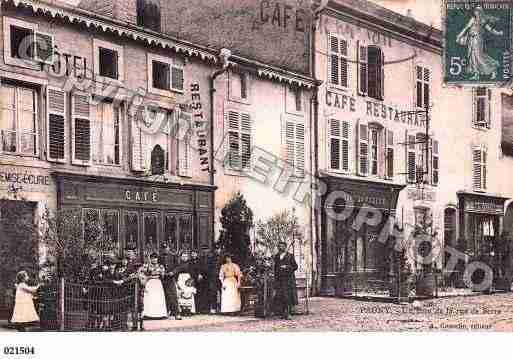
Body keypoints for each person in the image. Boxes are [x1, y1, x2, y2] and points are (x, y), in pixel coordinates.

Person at [456, 5, 504, 81]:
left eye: (478, 11)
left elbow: (490, 29)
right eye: (475, 11)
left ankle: (493, 69)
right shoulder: (472, 19)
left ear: (480, 12)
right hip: (470, 39)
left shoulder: (482, 21)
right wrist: (460, 35)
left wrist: (498, 33)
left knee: (479, 56)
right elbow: (466, 28)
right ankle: (476, 74)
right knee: (472, 57)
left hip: (478, 39)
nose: (476, 12)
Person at [274, 242, 298, 320]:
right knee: (281, 296)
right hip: (280, 279)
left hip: (288, 280)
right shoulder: (277, 256)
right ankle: (283, 313)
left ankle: (288, 313)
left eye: (282, 247)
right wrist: (276, 278)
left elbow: (295, 266)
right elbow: (275, 268)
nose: (280, 248)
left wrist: (287, 267)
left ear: (285, 247)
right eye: (279, 247)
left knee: (288, 296)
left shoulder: (290, 256)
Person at [138, 253, 167, 319]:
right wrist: (144, 279)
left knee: (158, 297)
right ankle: (148, 314)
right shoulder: (147, 266)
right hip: (150, 282)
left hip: (157, 282)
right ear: (150, 259)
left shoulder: (160, 266)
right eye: (152, 258)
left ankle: (160, 314)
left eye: (155, 258)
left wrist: (161, 273)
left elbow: (163, 275)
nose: (154, 260)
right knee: (150, 297)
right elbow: (139, 272)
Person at [159, 243, 181, 320]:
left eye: (166, 248)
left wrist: (173, 272)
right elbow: (158, 266)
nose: (165, 249)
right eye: (163, 248)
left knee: (173, 295)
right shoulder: (160, 257)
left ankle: (177, 313)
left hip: (171, 278)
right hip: (163, 278)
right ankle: (166, 312)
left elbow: (178, 266)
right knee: (164, 295)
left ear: (169, 248)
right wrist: (161, 272)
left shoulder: (173, 256)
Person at [206, 247, 222, 313]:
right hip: (213, 277)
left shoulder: (222, 258)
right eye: (216, 249)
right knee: (213, 292)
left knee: (222, 292)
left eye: (219, 249)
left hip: (221, 277)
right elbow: (208, 267)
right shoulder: (211, 258)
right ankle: (213, 308)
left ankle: (222, 308)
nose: (218, 250)